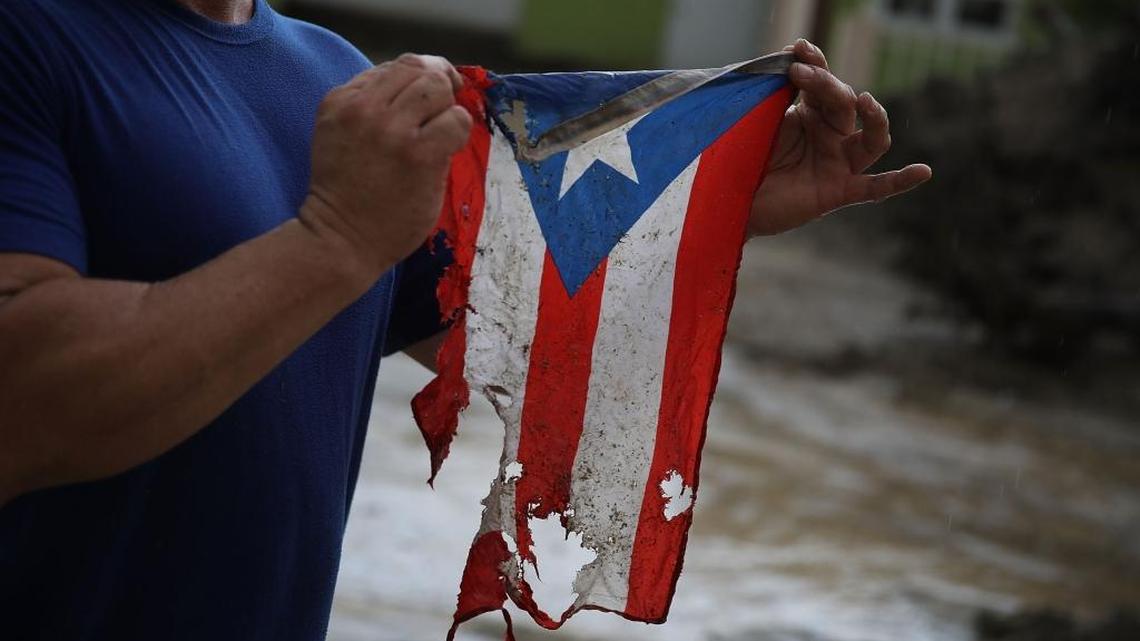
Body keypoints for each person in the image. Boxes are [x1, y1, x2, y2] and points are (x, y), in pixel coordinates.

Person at [0, 0, 932, 639]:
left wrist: (708, 204)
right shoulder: (25, 40)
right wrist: (336, 237)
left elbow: (491, 333)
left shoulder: (329, 74)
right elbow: (22, 400)